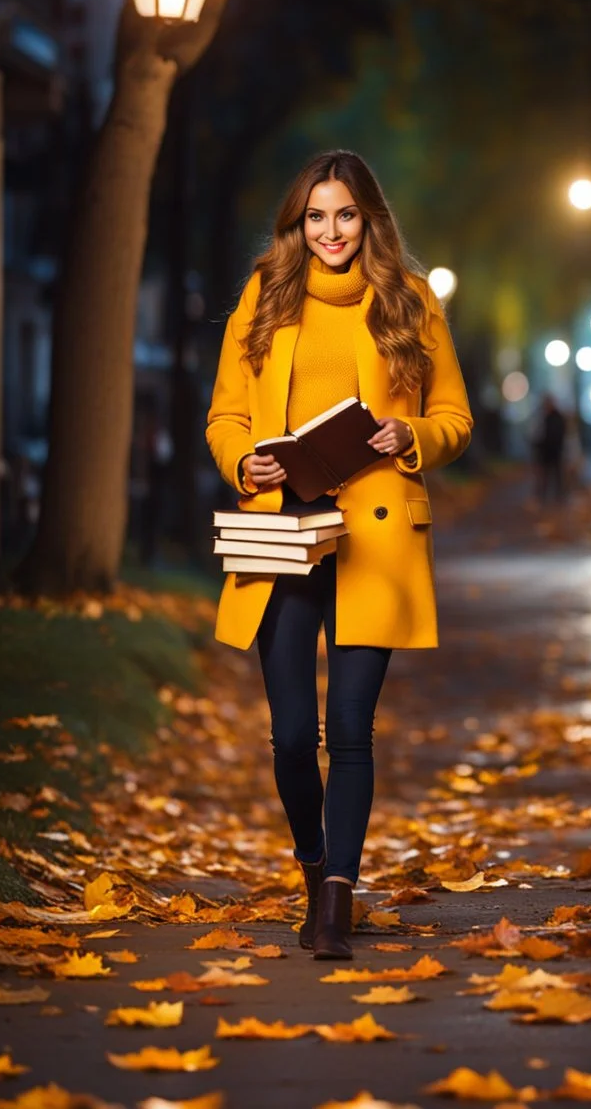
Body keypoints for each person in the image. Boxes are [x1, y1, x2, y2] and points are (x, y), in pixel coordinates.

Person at [205, 151, 473, 959]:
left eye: (345, 215)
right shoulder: (264, 297)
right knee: (291, 736)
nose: (330, 231)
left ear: (369, 220)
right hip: (284, 535)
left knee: (350, 726)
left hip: (374, 535)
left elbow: (456, 416)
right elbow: (226, 417)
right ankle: (315, 862)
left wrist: (412, 435)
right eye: (315, 216)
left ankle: (335, 901)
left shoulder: (410, 301)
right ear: (298, 223)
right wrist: (242, 459)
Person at [532, 393, 567, 504]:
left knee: (556, 474)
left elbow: (559, 433)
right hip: (545, 451)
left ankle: (558, 495)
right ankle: (543, 495)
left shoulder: (557, 417)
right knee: (544, 474)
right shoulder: (543, 417)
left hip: (555, 450)